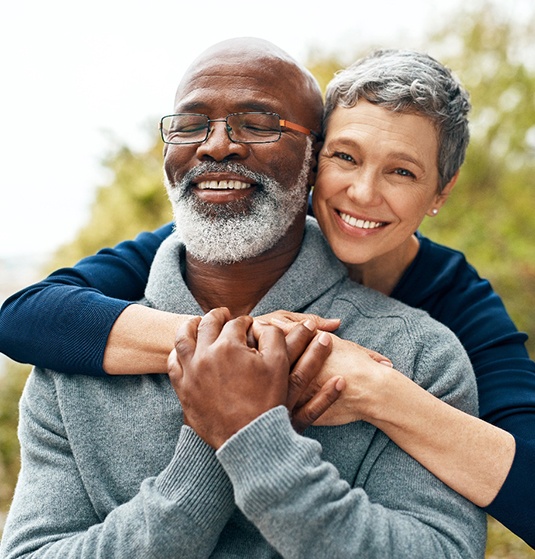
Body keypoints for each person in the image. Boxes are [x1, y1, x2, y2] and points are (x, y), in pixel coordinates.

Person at [1, 48, 534, 548]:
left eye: (402, 171)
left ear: (441, 191)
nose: (364, 192)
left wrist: (376, 389)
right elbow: (25, 315)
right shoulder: (101, 332)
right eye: (346, 157)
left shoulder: (442, 331)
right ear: (316, 165)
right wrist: (234, 349)